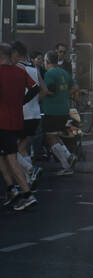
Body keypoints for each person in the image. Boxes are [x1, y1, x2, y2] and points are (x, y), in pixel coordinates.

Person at [0, 43, 40, 208]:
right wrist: (21, 101)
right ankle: (11, 188)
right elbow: (35, 88)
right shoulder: (19, 71)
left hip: (2, 120)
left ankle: (27, 193)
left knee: (11, 157)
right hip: (16, 119)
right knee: (5, 155)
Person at [39, 48, 76, 177]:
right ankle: (69, 156)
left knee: (50, 137)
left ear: (47, 61)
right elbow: (75, 87)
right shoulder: (64, 72)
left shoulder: (49, 74)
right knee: (56, 136)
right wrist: (64, 94)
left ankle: (67, 164)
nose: (44, 63)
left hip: (52, 110)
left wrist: (39, 95)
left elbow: (50, 90)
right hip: (64, 109)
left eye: (44, 60)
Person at [11, 41, 42, 190]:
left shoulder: (19, 68)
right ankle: (29, 179)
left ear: (16, 54)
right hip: (35, 113)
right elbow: (41, 89)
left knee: (10, 149)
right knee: (22, 148)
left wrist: (21, 102)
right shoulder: (34, 68)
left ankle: (31, 170)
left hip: (24, 114)